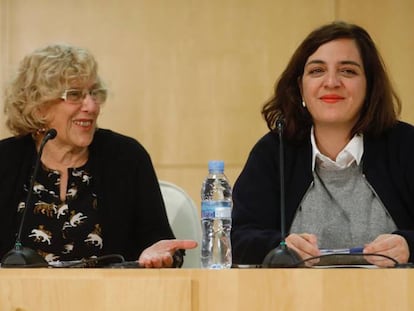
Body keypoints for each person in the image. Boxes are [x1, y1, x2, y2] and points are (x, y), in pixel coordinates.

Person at [231, 21, 414, 268]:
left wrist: (409, 246)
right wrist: (280, 246)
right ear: (300, 86)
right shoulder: (274, 152)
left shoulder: (405, 145)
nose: (331, 82)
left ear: (370, 85)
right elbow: (237, 239)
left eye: (348, 71)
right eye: (317, 70)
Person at [0, 44, 197, 268]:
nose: (91, 106)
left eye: (94, 93)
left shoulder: (127, 157)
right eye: (74, 95)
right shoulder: (5, 160)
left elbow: (159, 242)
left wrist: (159, 253)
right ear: (38, 106)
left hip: (112, 300)